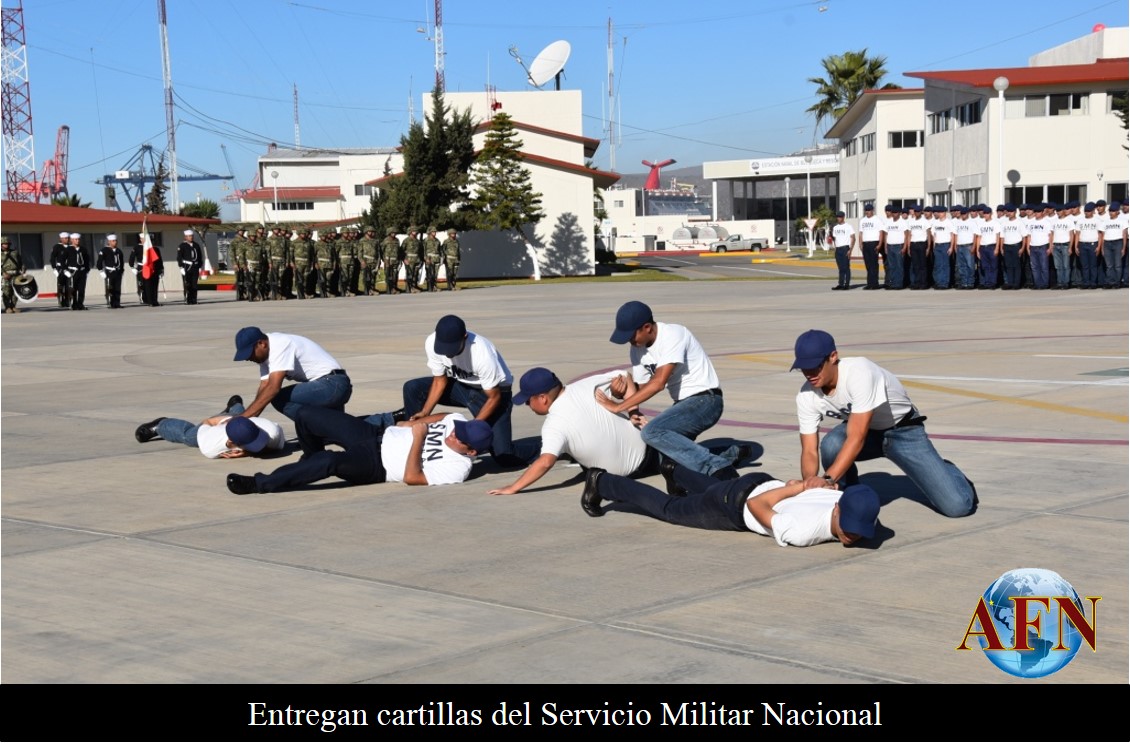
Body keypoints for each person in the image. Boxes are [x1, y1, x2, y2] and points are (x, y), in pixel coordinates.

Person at [791, 329, 976, 518]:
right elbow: (809, 450)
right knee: (831, 445)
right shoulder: (806, 396)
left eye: (815, 366)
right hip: (869, 431)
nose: (809, 374)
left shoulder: (860, 372)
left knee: (958, 507)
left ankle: (948, 471)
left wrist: (827, 479)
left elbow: (856, 437)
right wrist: (810, 487)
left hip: (903, 431)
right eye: (803, 368)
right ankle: (848, 494)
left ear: (833, 357)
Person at [577, 464, 881, 548]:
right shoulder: (802, 532)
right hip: (734, 505)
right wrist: (799, 486)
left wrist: (795, 487)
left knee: (713, 487)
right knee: (669, 508)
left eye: (859, 530)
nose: (852, 535)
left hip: (761, 481)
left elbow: (816, 487)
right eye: (849, 527)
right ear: (838, 509)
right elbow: (756, 504)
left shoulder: (846, 500)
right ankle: (602, 482)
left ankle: (674, 470)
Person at [604, 300, 742, 479]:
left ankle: (718, 468)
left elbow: (659, 382)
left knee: (652, 432)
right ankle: (732, 453)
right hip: (683, 404)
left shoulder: (674, 334)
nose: (630, 341)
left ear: (647, 327)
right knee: (665, 461)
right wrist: (620, 392)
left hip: (706, 401)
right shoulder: (637, 349)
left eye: (631, 335)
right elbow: (642, 386)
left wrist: (617, 407)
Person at [225, 407, 492, 494]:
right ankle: (309, 459)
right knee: (307, 415)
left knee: (329, 461)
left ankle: (260, 484)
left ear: (470, 452)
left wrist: (418, 440)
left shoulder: (459, 468)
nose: (455, 433)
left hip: (377, 464)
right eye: (460, 429)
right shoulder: (457, 422)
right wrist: (414, 424)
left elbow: (413, 478)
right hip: (375, 435)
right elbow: (445, 416)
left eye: (461, 439)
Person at [488, 367, 658, 495]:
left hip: (628, 476)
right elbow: (626, 375)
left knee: (568, 446)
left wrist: (513, 487)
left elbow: (546, 461)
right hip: (650, 447)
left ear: (542, 398)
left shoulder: (554, 424)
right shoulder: (588, 385)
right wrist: (632, 410)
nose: (527, 405)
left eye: (528, 401)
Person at [400, 314, 525, 466]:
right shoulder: (431, 342)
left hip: (491, 395)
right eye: (443, 348)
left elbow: (494, 397)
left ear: (464, 337)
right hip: (461, 387)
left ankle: (548, 448)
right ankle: (411, 443)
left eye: (451, 349)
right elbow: (440, 380)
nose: (447, 353)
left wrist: (472, 428)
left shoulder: (481, 352)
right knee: (413, 388)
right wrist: (425, 412)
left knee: (504, 457)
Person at [233, 326, 353, 421]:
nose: (248, 358)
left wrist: (244, 417)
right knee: (348, 427)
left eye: (250, 353)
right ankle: (327, 429)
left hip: (332, 385)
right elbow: (265, 386)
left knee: (278, 398)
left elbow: (273, 388)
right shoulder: (266, 354)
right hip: (329, 386)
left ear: (261, 344)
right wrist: (249, 419)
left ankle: (318, 429)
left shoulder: (280, 345)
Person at [134, 395, 286, 459]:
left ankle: (235, 409)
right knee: (188, 436)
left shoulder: (271, 430)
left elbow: (276, 446)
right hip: (214, 425)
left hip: (240, 419)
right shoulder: (210, 444)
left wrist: (248, 452)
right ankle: (161, 425)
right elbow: (208, 422)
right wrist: (218, 420)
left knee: (236, 417)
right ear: (231, 443)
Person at [1098, 201, 1127, 289]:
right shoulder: (1105, 222)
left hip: (1118, 242)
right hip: (1107, 243)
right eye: (1110, 211)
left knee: (1117, 264)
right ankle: (1110, 281)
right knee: (1109, 265)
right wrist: (1102, 248)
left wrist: (1123, 247)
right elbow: (1102, 235)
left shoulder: (1122, 221)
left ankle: (1116, 282)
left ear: (1118, 211)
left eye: (1113, 211)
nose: (1111, 213)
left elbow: (1124, 235)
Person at [1076, 202, 1102, 289]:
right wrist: (1076, 246)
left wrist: (1099, 246)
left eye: (1088, 211)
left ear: (1093, 211)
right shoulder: (1080, 221)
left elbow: (1100, 235)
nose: (1086, 212)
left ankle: (1093, 283)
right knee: (1085, 265)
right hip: (1082, 244)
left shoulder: (1097, 221)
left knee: (1093, 265)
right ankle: (1086, 282)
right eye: (1085, 211)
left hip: (1093, 244)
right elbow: (1077, 234)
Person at [881, 205, 907, 290]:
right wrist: (885, 246)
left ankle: (898, 284)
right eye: (893, 212)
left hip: (899, 246)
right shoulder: (888, 222)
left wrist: (904, 247)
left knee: (899, 266)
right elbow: (885, 234)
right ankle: (892, 283)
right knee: (891, 266)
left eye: (896, 212)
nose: (894, 214)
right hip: (890, 246)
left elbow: (906, 235)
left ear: (899, 213)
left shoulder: (903, 222)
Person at [97, 234, 125, 308]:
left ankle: (117, 303)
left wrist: (122, 271)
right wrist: (101, 271)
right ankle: (111, 302)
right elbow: (99, 262)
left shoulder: (119, 251)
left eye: (116, 241)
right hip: (110, 272)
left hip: (118, 272)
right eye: (113, 241)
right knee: (110, 288)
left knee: (117, 288)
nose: (115, 242)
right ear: (109, 241)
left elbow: (121, 262)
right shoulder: (104, 250)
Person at [858, 204, 882, 290]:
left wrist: (879, 244)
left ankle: (875, 284)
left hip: (874, 243)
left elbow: (881, 232)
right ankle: (869, 283)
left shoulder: (877, 220)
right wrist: (860, 243)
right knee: (868, 264)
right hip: (865, 243)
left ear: (872, 210)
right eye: (866, 210)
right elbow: (861, 233)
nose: (867, 212)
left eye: (869, 210)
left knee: (874, 264)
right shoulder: (862, 221)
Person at [977, 206, 1002, 289]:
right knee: (985, 266)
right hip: (983, 247)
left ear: (991, 214)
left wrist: (997, 248)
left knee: (993, 266)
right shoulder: (981, 224)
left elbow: (998, 236)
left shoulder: (995, 223)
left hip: (992, 246)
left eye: (987, 213)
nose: (986, 215)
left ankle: (993, 283)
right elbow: (979, 237)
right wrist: (977, 249)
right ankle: (987, 282)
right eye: (985, 213)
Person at [64, 232, 90, 310]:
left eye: (78, 239)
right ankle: (74, 304)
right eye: (76, 239)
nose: (77, 241)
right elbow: (62, 261)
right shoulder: (68, 249)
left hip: (82, 271)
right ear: (72, 240)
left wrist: (87, 270)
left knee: (81, 288)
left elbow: (87, 260)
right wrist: (65, 270)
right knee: (73, 288)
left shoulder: (83, 249)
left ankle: (80, 304)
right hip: (73, 271)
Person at [829, 210, 854, 290]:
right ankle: (841, 284)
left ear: (843, 217)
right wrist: (835, 248)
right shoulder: (835, 227)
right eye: (837, 217)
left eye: (840, 217)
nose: (838, 218)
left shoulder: (848, 226)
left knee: (846, 267)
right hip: (838, 249)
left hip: (845, 248)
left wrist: (850, 249)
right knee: (840, 268)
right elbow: (835, 239)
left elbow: (853, 238)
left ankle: (847, 284)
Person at [177, 229, 203, 304]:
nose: (191, 237)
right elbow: (179, 257)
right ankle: (188, 299)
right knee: (187, 284)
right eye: (189, 236)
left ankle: (194, 299)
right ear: (185, 237)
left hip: (195, 267)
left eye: (191, 236)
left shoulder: (196, 245)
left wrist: (200, 266)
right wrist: (181, 267)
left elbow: (200, 256)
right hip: (187, 267)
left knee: (194, 284)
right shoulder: (182, 246)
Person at [2, 236, 26, 314]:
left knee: (16, 291)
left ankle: (13, 306)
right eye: (4, 244)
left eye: (8, 244)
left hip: (16, 274)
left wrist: (23, 269)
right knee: (6, 291)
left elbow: (21, 262)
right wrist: (3, 273)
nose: (6, 245)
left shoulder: (15, 252)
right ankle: (7, 307)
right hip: (6, 275)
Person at [50, 231, 71, 308]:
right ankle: (61, 300)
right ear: (61, 239)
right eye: (65, 238)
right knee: (61, 285)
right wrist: (54, 268)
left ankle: (68, 300)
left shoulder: (70, 247)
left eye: (68, 238)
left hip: (69, 268)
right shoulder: (57, 247)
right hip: (60, 269)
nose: (67, 239)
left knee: (68, 285)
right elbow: (52, 258)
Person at [401, 226, 424, 293]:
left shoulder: (418, 241)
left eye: (416, 231)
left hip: (417, 260)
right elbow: (402, 251)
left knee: (415, 274)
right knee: (409, 274)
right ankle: (409, 288)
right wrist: (404, 259)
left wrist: (421, 260)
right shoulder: (406, 240)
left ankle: (414, 286)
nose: (415, 232)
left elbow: (421, 251)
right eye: (414, 231)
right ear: (410, 232)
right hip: (409, 260)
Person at [381, 227, 402, 294]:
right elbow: (382, 250)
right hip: (388, 261)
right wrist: (384, 260)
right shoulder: (386, 240)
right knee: (388, 275)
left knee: (395, 275)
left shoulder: (397, 240)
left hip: (395, 261)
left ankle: (394, 287)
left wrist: (399, 259)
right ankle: (389, 289)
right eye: (392, 233)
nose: (394, 234)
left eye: (395, 233)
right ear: (389, 233)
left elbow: (399, 250)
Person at [423, 226, 442, 292]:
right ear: (430, 232)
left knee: (435, 274)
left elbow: (440, 250)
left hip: (436, 259)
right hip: (429, 259)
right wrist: (426, 258)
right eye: (433, 232)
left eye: (435, 232)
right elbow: (423, 250)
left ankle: (434, 286)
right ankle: (429, 287)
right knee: (429, 273)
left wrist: (441, 258)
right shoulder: (426, 240)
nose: (435, 233)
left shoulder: (437, 241)